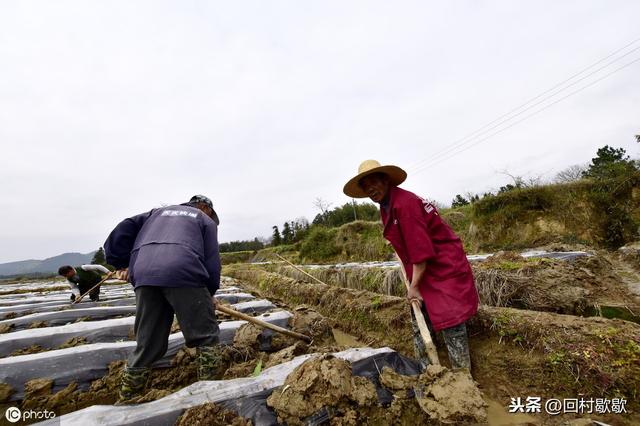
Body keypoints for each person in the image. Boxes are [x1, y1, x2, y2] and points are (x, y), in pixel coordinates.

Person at [343, 160, 479, 370]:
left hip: (442, 267)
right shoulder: (387, 204)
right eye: (365, 185)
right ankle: (427, 373)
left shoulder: (404, 204)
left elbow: (421, 254)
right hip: (423, 270)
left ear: (385, 180)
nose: (370, 189)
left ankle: (463, 381)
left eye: (374, 182)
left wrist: (414, 286)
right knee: (419, 318)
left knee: (451, 323)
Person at [104, 195, 223, 402]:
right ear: (205, 208)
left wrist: (121, 263)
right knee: (206, 336)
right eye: (211, 214)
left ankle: (127, 397)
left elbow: (122, 229)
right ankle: (211, 398)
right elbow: (212, 262)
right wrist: (208, 293)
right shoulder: (204, 220)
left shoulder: (156, 213)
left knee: (147, 342)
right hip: (183, 270)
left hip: (143, 273)